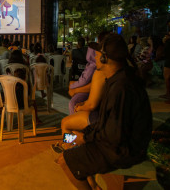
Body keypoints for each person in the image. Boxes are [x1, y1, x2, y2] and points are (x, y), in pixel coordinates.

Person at [56, 33, 152, 190]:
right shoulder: (118, 79)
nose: (95, 55)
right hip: (116, 142)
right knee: (69, 137)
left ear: (104, 58)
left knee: (64, 161)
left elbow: (114, 134)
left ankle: (73, 155)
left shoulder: (122, 87)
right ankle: (71, 148)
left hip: (123, 150)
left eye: (98, 52)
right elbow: (107, 122)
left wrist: (85, 138)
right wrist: (84, 135)